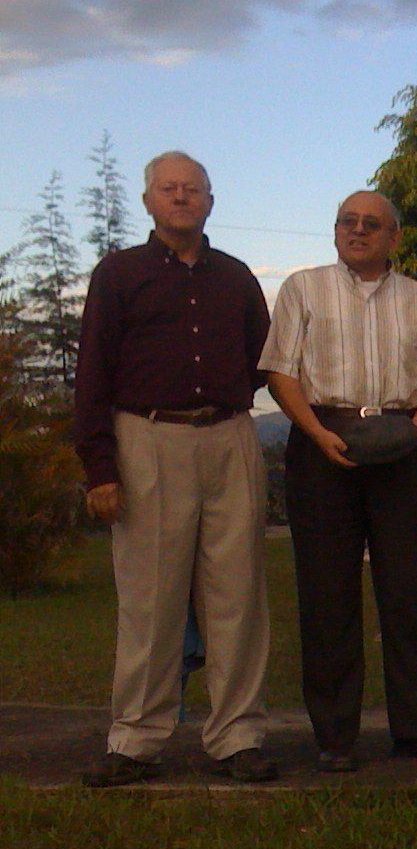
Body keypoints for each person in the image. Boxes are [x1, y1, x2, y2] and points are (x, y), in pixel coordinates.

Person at [73, 150, 276, 786]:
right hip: (148, 439)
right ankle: (136, 739)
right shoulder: (119, 274)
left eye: (193, 188)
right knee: (150, 599)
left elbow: (262, 360)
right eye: (169, 188)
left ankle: (238, 737)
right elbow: (92, 373)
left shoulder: (236, 278)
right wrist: (100, 468)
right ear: (149, 201)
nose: (182, 197)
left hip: (228, 437)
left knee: (238, 596)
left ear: (210, 201)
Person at [260, 190, 417, 771]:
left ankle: (414, 730)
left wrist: (415, 428)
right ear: (335, 231)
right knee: (327, 599)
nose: (357, 230)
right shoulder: (303, 289)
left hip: (401, 449)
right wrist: (316, 433)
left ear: (393, 237)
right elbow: (280, 372)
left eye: (371, 224)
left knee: (404, 594)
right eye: (347, 221)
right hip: (323, 444)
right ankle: (335, 738)